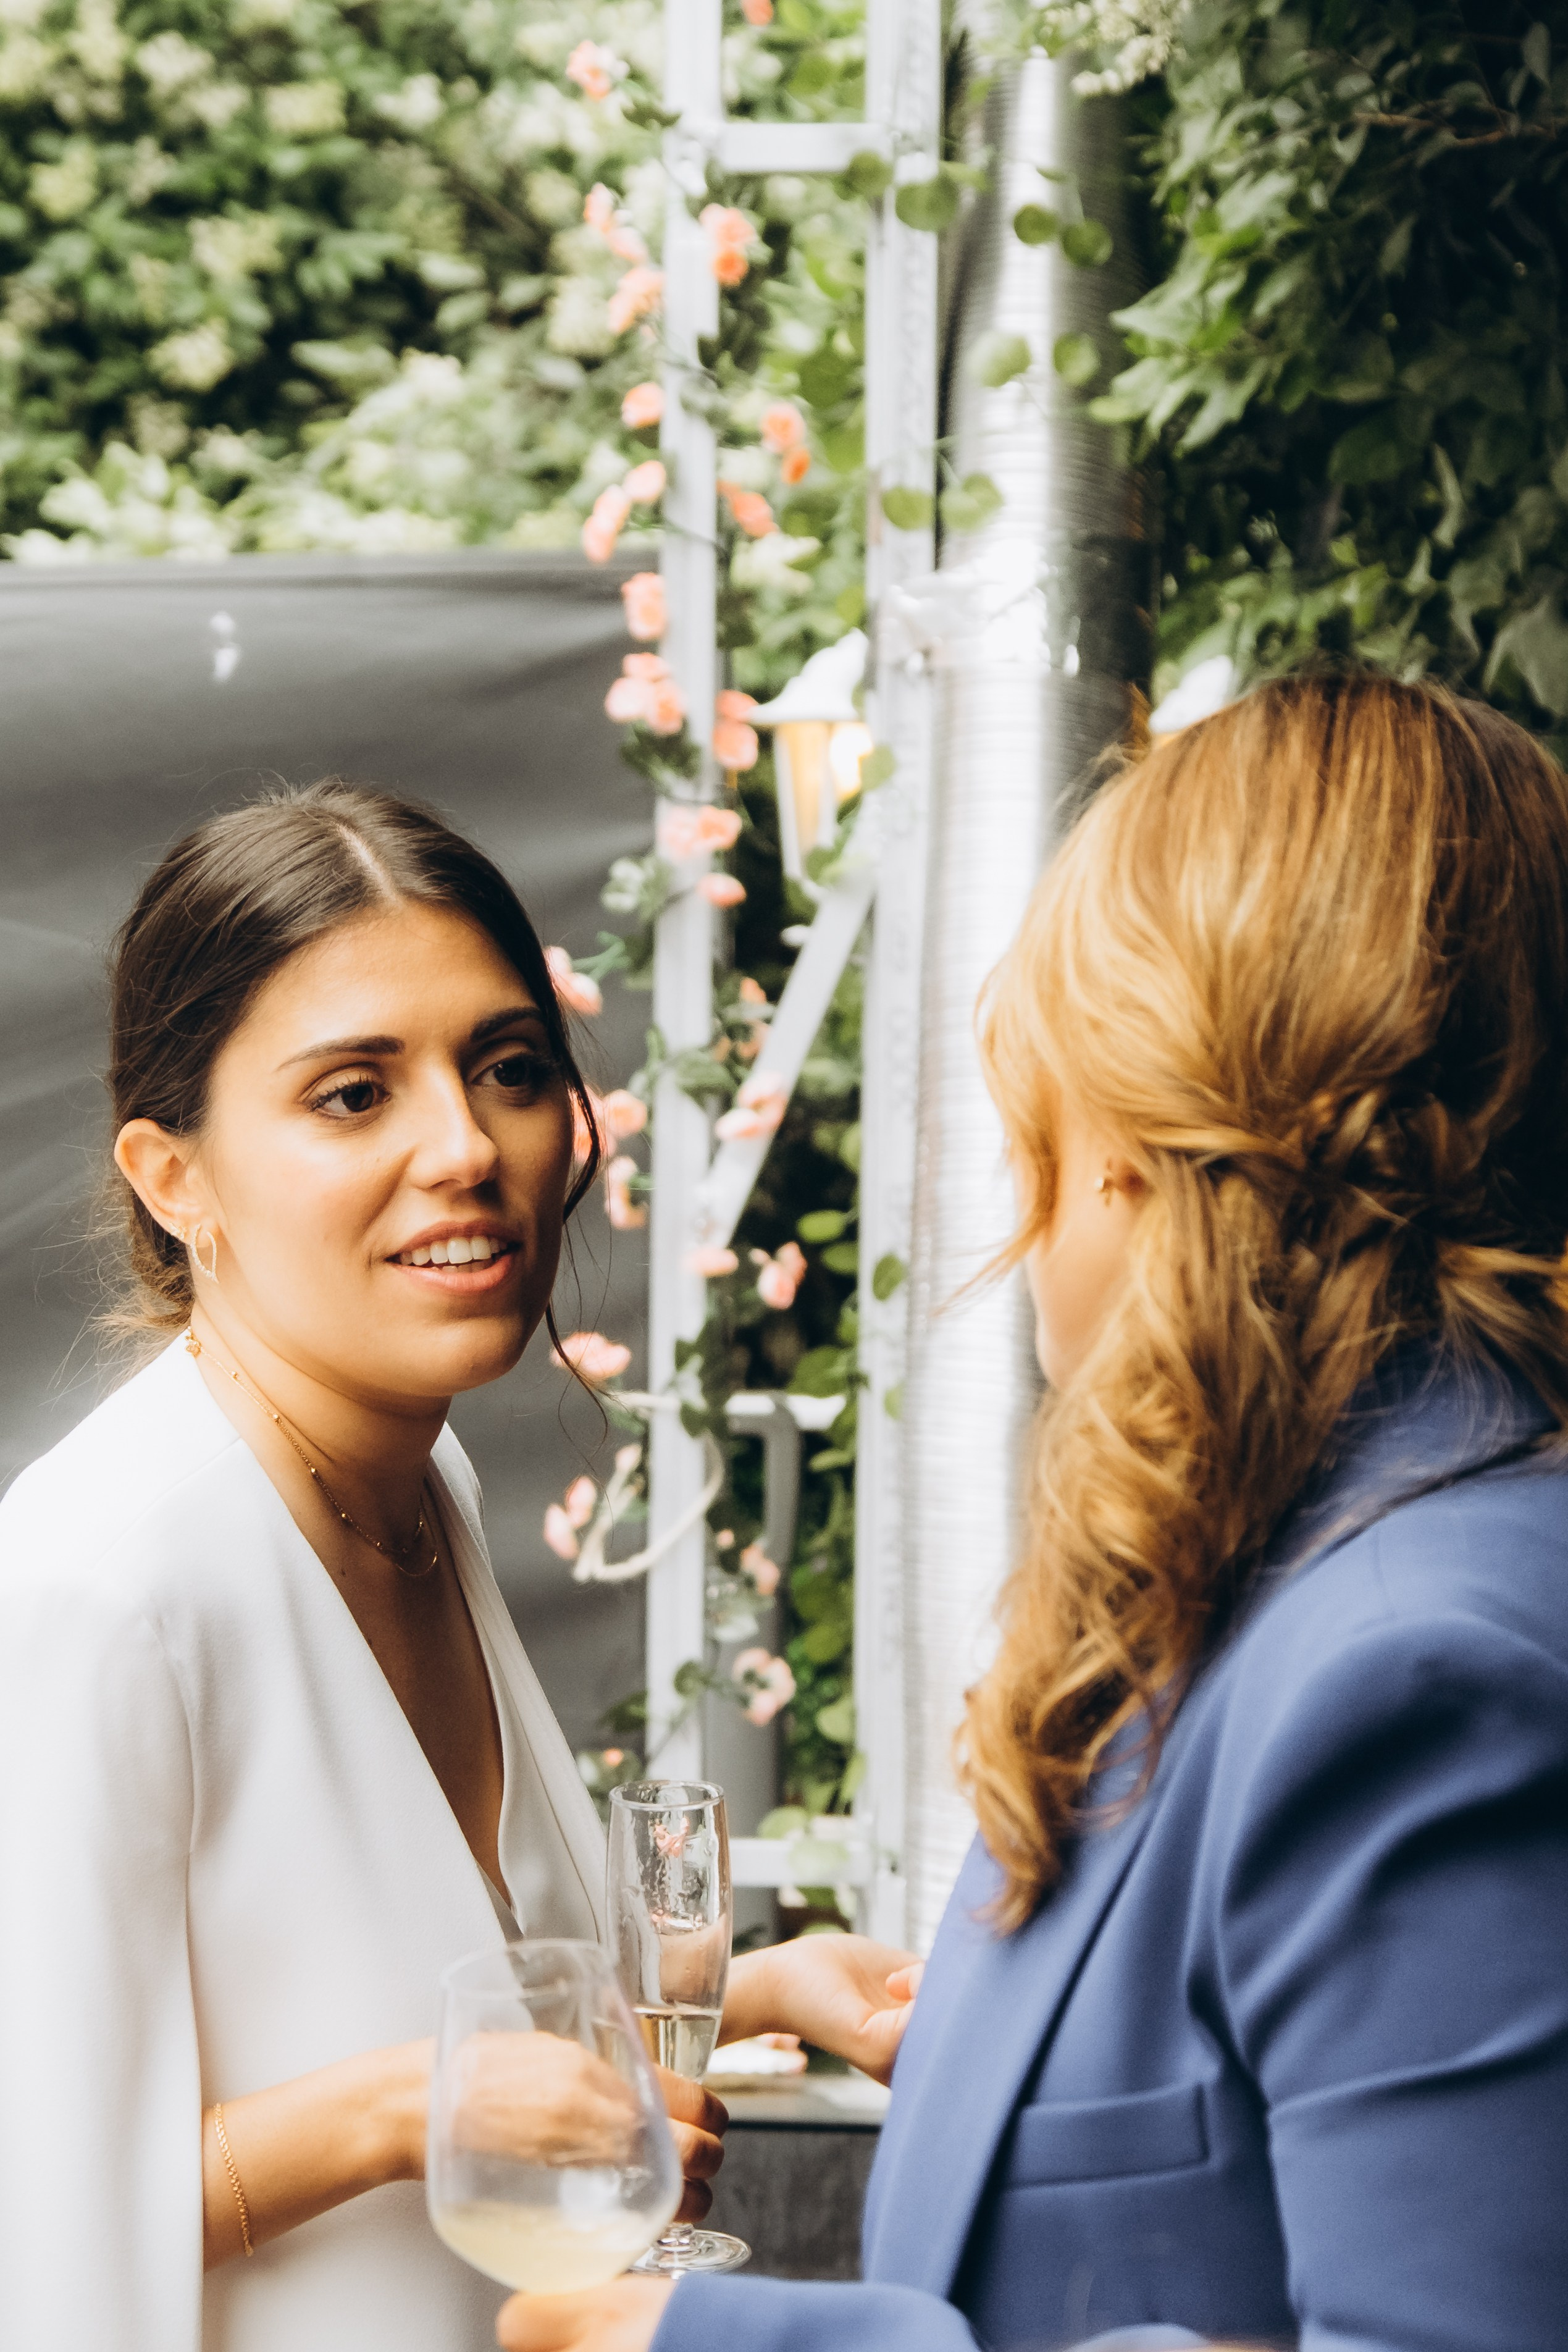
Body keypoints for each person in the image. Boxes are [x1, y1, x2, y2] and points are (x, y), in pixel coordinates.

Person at [495, 673, 1568, 2352]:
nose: (1030, 1251)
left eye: (1038, 1151)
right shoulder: (1258, 1579)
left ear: (1155, 1150)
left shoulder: (1424, 1670)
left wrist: (704, 2345)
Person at [0, 783, 739, 2352]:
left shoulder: (419, 1485)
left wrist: (773, 1991)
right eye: (352, 1094)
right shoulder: (103, 1584)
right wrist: (404, 2104)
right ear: (171, 1175)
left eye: (512, 1069)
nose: (465, 1148)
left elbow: (443, 1974)